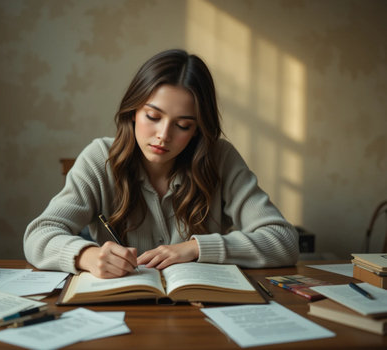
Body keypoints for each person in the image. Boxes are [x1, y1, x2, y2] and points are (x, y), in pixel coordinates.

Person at [24, 49, 299, 278]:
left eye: (182, 125)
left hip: (200, 312)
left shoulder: (220, 158)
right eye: (153, 117)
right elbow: (40, 235)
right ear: (133, 112)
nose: (163, 136)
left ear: (197, 130)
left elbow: (284, 241)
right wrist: (87, 255)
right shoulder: (99, 157)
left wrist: (194, 248)